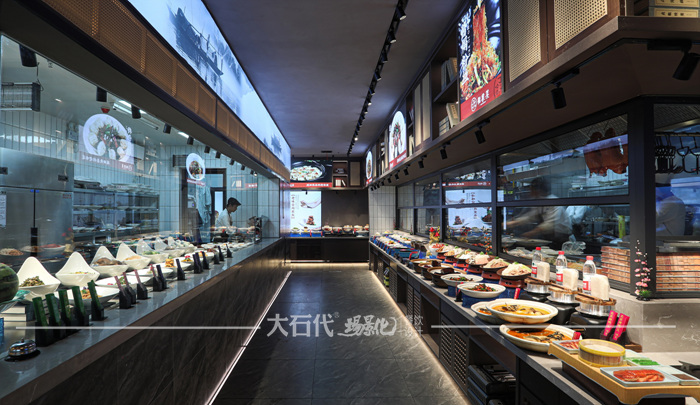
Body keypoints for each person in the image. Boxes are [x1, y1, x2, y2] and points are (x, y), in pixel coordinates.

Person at [506, 177, 572, 248]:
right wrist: (513, 223)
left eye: (531, 189)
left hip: (561, 238)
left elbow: (550, 224)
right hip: (549, 237)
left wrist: (532, 233)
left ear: (538, 190)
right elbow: (530, 217)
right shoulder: (540, 201)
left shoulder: (553, 201)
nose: (530, 192)